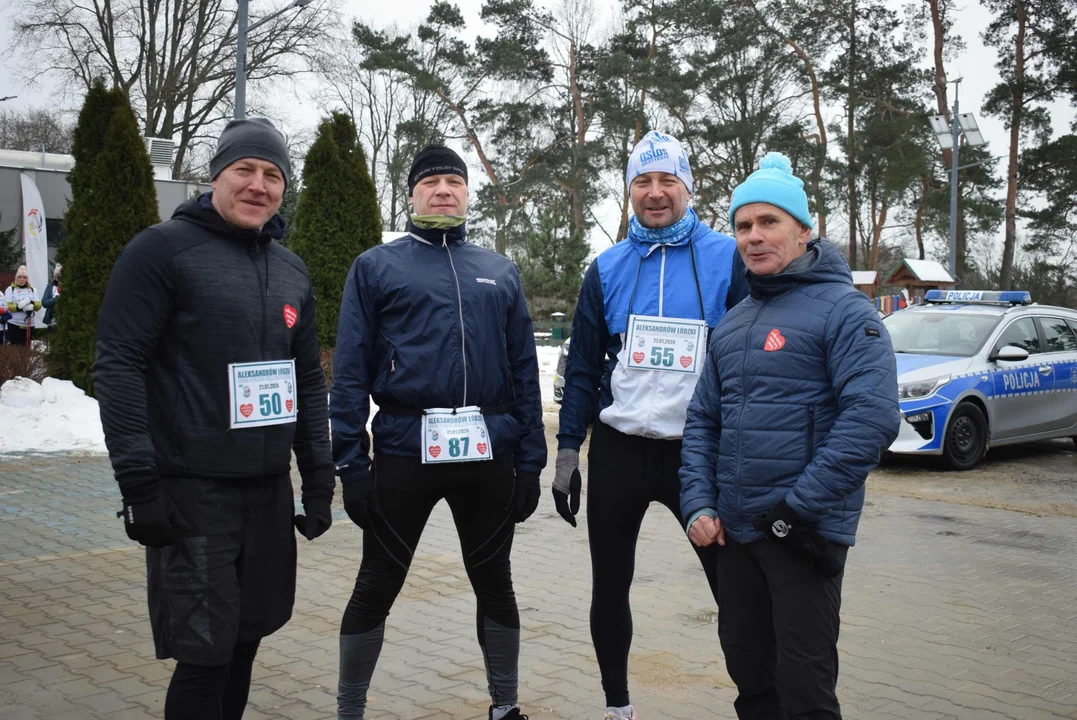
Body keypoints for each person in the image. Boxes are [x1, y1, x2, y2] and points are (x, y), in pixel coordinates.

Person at [94, 118, 334, 720]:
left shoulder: (291, 270)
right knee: (203, 658)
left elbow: (306, 380)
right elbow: (118, 366)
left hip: (267, 493)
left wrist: (320, 478)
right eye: (244, 171)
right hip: (191, 491)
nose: (258, 185)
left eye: (272, 174)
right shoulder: (161, 251)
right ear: (215, 176)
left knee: (247, 641)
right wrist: (139, 485)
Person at [679, 152, 901, 720]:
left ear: (804, 230)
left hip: (803, 536)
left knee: (804, 693)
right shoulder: (733, 323)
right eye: (743, 225)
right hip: (737, 536)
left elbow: (871, 419)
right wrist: (698, 503)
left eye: (768, 222)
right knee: (751, 684)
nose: (753, 237)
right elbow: (703, 420)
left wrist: (796, 510)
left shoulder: (846, 313)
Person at [331, 144, 546, 720]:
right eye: (431, 183)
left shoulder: (499, 269)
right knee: (376, 582)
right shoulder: (376, 267)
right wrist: (349, 465)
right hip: (405, 448)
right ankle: (349, 710)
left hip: (488, 451)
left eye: (454, 181)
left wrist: (532, 460)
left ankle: (506, 707)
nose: (443, 190)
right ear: (410, 196)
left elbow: (525, 368)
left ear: (469, 194)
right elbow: (349, 371)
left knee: (495, 582)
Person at [554, 130, 749, 720]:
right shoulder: (607, 267)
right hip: (619, 449)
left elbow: (745, 368)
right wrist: (567, 453)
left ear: (689, 188)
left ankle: (759, 701)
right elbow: (584, 368)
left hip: (695, 452)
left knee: (734, 591)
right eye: (644, 181)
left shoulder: (726, 258)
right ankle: (618, 707)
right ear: (630, 189)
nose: (656, 193)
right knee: (609, 588)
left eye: (668, 181)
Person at [4, 265, 41, 345]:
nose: (22, 279)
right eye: (19, 277)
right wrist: (19, 308)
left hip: (29, 324)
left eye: (24, 277)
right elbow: (7, 307)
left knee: (26, 349)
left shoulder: (32, 289)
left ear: (27, 279)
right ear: (16, 278)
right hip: (14, 323)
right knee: (16, 348)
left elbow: (38, 306)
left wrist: (31, 304)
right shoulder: (10, 289)